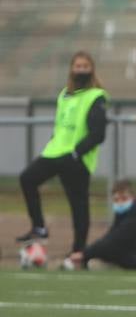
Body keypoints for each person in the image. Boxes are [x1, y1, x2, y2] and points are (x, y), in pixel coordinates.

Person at [16, 51, 108, 262]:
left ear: (92, 70)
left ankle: (78, 251)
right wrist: (52, 145)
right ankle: (39, 227)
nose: (81, 70)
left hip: (77, 158)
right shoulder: (64, 95)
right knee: (27, 178)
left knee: (78, 205)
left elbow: (98, 134)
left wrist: (76, 153)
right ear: (71, 69)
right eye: (78, 66)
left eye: (85, 66)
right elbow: (60, 127)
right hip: (55, 152)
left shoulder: (96, 97)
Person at [65, 179, 136, 270]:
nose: (120, 203)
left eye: (124, 198)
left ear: (133, 198)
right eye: (116, 200)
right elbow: (111, 236)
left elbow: (114, 239)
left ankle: (92, 263)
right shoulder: (125, 214)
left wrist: (84, 254)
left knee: (108, 250)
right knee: (105, 249)